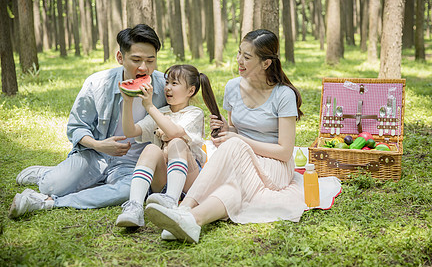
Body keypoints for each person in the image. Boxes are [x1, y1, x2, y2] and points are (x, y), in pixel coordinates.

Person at [145, 29, 307, 243]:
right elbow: (235, 131)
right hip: (242, 158)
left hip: (274, 166)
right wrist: (225, 131)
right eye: (239, 53)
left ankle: (181, 207)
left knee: (233, 152)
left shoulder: (283, 94)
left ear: (266, 63)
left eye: (247, 57)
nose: (239, 60)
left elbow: (285, 152)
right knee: (232, 188)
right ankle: (191, 220)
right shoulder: (232, 87)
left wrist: (238, 140)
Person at [9, 24, 167, 218]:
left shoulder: (165, 86)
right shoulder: (97, 83)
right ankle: (46, 174)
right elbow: (76, 127)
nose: (144, 68)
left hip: (132, 166)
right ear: (120, 57)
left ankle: (49, 202)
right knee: (51, 185)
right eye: (136, 60)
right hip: (95, 156)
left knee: (130, 192)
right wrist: (99, 145)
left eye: (150, 61)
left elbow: (181, 118)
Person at [115, 64, 220, 229]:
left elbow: (174, 132)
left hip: (189, 183)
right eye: (167, 83)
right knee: (150, 149)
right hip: (162, 183)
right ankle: (134, 207)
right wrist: (128, 102)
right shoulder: (162, 112)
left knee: (176, 141)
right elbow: (131, 131)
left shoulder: (194, 113)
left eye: (175, 83)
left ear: (190, 91)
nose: (168, 88)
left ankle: (172, 200)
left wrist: (149, 106)